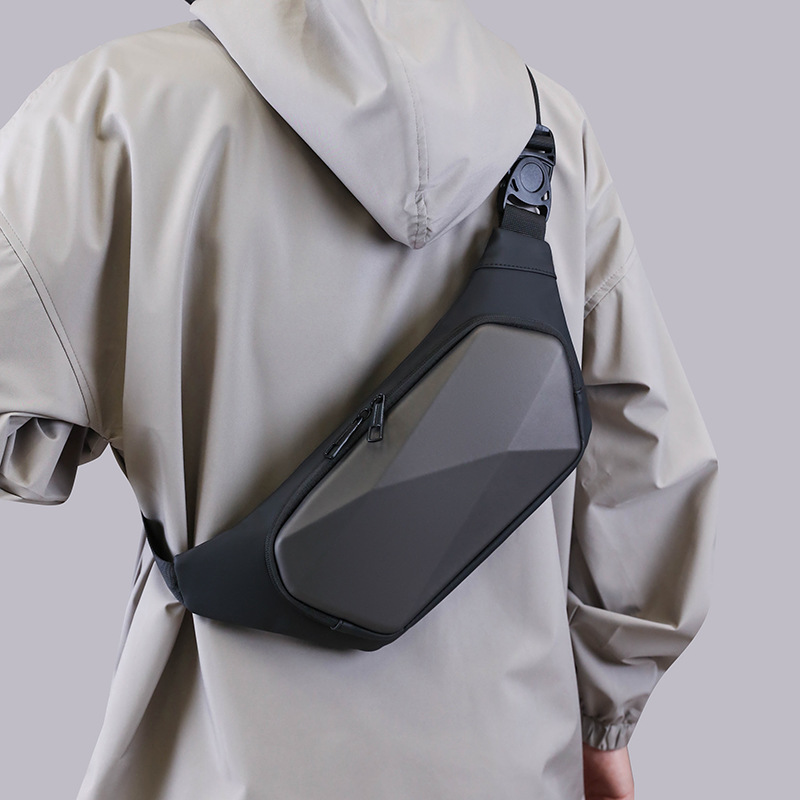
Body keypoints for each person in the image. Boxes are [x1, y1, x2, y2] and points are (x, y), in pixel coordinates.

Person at [0, 2, 719, 799]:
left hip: (216, 763)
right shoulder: (551, 129)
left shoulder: (105, 114)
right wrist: (604, 720)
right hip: (510, 766)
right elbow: (647, 467)